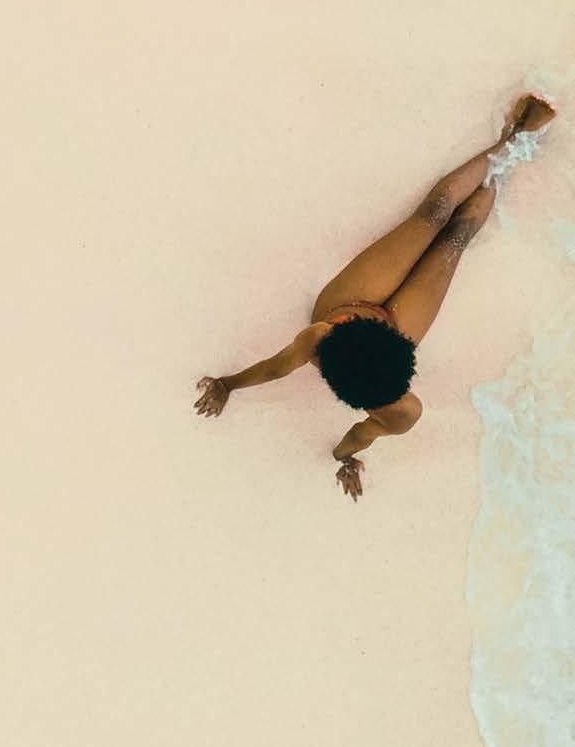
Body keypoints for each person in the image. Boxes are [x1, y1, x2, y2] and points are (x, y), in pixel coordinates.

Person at [194, 93, 557, 501]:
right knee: (455, 237)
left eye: (348, 326)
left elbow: (277, 369)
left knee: (434, 212)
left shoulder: (319, 334)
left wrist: (227, 384)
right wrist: (346, 460)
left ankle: (510, 139)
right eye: (348, 324)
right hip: (397, 326)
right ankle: (513, 149)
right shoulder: (404, 410)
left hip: (351, 298)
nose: (350, 320)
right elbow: (358, 435)